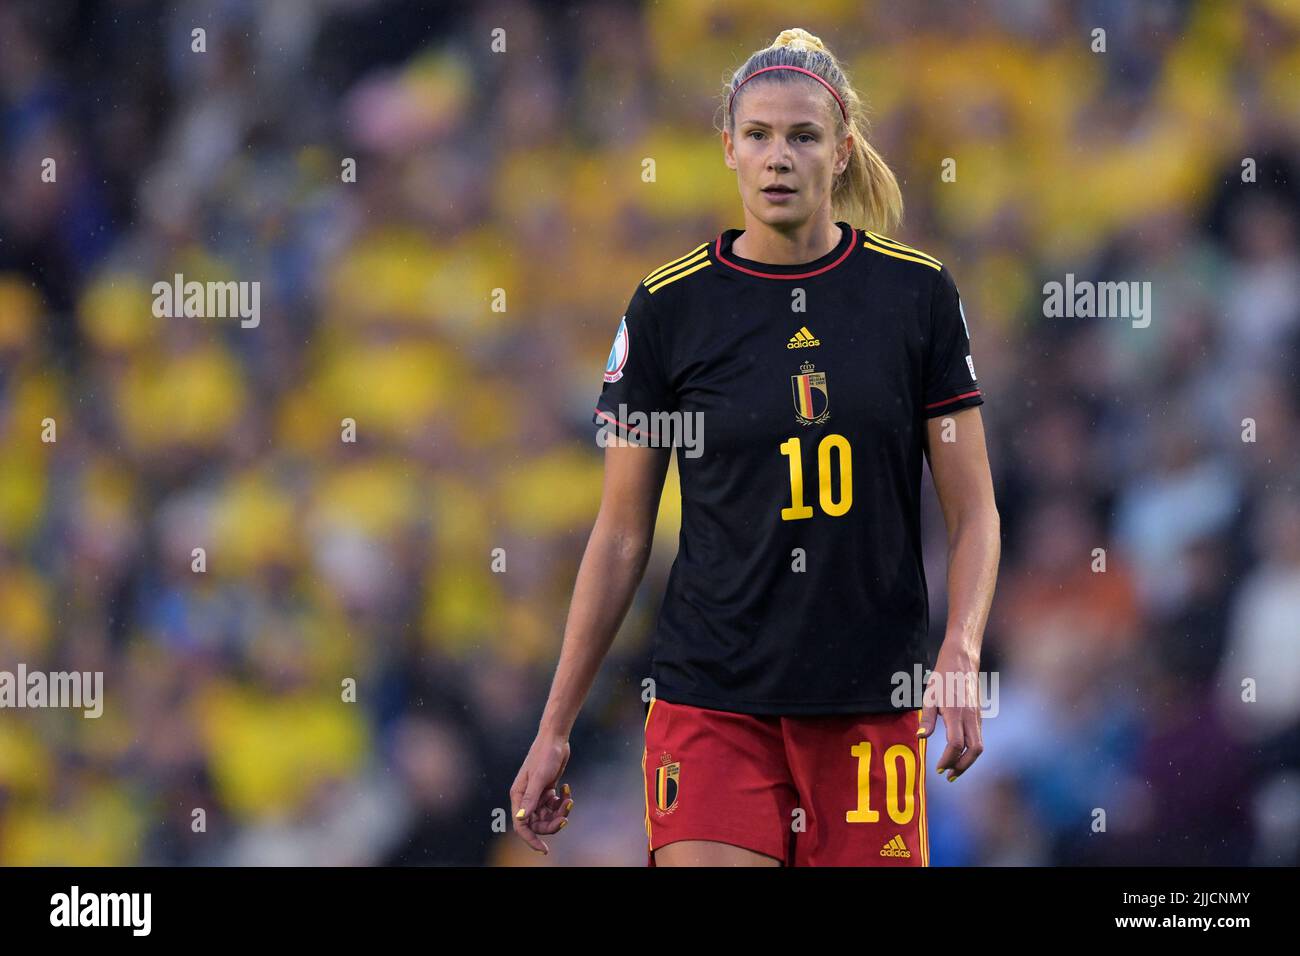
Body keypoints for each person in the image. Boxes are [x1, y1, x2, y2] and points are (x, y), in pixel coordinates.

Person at [510, 27, 1000, 866]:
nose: (781, 157)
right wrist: (555, 724)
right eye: (761, 136)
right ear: (729, 149)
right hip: (712, 699)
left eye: (804, 137)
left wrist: (960, 651)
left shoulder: (915, 295)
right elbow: (623, 534)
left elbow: (975, 510)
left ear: (841, 152)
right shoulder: (669, 309)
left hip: (866, 698)